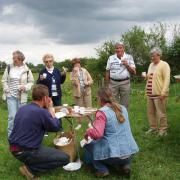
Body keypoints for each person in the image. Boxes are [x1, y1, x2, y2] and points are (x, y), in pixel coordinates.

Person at [9, 84, 69, 179]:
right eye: (48, 97)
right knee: (65, 158)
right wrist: (51, 110)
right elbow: (56, 127)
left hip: (13, 148)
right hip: (26, 150)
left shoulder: (22, 108)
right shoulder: (42, 112)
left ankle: (30, 160)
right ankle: (30, 169)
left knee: (38, 149)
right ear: (45, 98)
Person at [83, 88, 139, 178]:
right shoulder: (122, 108)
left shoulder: (102, 112)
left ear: (100, 99)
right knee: (119, 143)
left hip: (115, 156)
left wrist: (88, 132)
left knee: (87, 145)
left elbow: (98, 134)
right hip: (130, 152)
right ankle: (125, 166)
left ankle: (102, 170)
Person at [1, 50, 34, 137]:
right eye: (13, 58)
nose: (13, 60)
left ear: (20, 59)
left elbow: (31, 82)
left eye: (15, 59)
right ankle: (11, 135)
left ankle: (21, 135)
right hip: (10, 96)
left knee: (22, 116)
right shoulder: (9, 68)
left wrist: (25, 87)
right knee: (12, 117)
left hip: (22, 97)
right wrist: (6, 88)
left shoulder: (27, 70)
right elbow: (4, 80)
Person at [145, 47, 170, 136]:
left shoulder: (164, 65)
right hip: (149, 94)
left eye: (153, 56)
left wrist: (163, 93)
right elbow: (150, 77)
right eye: (151, 56)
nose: (151, 58)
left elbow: (167, 80)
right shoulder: (151, 65)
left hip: (159, 94)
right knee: (150, 112)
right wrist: (146, 77)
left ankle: (163, 129)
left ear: (158, 55)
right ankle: (153, 128)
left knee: (161, 113)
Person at [105, 42, 136, 109]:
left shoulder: (129, 57)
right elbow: (107, 72)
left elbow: (134, 72)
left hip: (125, 83)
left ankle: (123, 118)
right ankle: (115, 118)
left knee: (125, 104)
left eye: (120, 48)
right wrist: (107, 86)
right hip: (113, 83)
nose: (119, 50)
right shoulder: (111, 58)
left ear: (123, 48)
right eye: (117, 48)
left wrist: (127, 65)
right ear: (115, 50)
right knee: (113, 104)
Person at [70, 58, 93, 130]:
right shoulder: (72, 73)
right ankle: (79, 123)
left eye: (78, 63)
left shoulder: (85, 70)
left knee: (88, 107)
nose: (77, 65)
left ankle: (90, 123)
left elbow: (91, 80)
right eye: (75, 64)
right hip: (78, 93)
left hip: (87, 91)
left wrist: (87, 83)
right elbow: (74, 83)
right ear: (73, 66)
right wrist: (76, 74)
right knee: (79, 108)